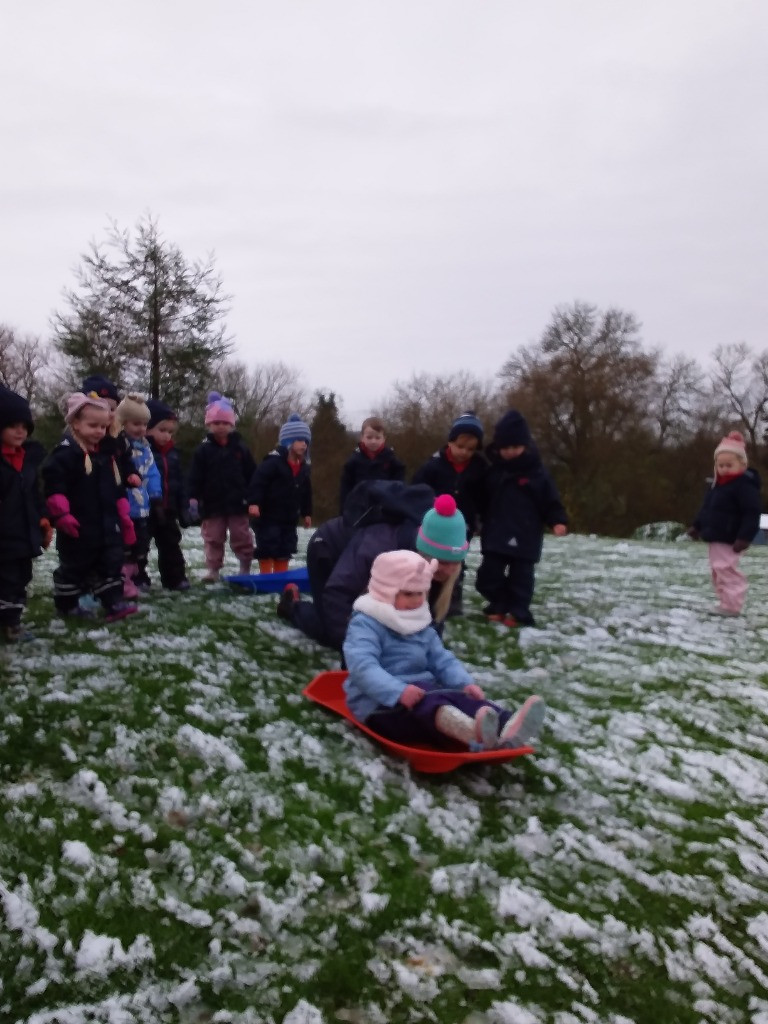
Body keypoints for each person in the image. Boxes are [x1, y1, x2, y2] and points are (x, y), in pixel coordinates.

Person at [343, 550, 546, 750]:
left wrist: (464, 683)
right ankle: (472, 734)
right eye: (408, 594)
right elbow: (362, 667)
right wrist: (398, 691)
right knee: (434, 705)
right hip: (380, 704)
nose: (415, 601)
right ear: (385, 591)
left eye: (420, 593)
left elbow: (441, 659)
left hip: (424, 690)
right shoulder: (367, 623)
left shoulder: (418, 620)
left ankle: (508, 725)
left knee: (460, 698)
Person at [278, 481, 467, 652]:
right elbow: (337, 593)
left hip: (359, 557)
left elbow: (432, 611)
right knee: (332, 631)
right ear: (423, 551)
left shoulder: (446, 553)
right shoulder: (380, 546)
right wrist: (359, 650)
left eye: (455, 563)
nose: (449, 570)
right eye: (442, 563)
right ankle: (292, 605)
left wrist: (428, 653)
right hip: (328, 550)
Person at [42, 392, 138, 622]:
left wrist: (122, 513)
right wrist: (61, 513)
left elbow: (115, 486)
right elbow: (54, 484)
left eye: (103, 427)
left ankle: (113, 603)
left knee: (110, 562)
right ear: (75, 422)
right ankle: (67, 602)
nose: (99, 431)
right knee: (76, 566)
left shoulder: (105, 455)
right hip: (79, 525)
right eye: (92, 425)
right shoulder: (66, 454)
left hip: (106, 522)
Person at [477, 410, 568, 627]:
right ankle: (498, 602)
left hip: (526, 535)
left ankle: (518, 611)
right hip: (496, 533)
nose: (510, 453)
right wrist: (476, 520)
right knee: (488, 575)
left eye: (514, 448)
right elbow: (482, 499)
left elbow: (550, 499)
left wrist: (557, 520)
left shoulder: (537, 473)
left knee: (522, 579)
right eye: (505, 448)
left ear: (525, 446)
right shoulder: (494, 472)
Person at [412, 410, 487, 615]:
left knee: (455, 564)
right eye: (460, 446)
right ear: (450, 442)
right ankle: (421, 596)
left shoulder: (481, 469)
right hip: (434, 525)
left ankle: (451, 600)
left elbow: (485, 496)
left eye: (470, 449)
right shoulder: (433, 466)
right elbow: (417, 490)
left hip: (463, 526)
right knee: (428, 563)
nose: (464, 452)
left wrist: (480, 519)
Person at [688, 430, 761, 616]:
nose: (724, 468)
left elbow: (752, 513)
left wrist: (745, 537)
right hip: (716, 535)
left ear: (742, 464)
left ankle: (732, 606)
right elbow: (707, 509)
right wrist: (697, 526)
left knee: (725, 569)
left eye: (729, 464)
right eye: (720, 465)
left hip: (731, 538)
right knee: (717, 571)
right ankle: (725, 602)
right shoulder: (717, 486)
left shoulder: (744, 486)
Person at [187, 391, 256, 583]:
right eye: (216, 423)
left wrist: (254, 498)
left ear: (232, 425)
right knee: (213, 538)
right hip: (212, 504)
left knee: (241, 535)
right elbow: (194, 477)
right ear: (209, 424)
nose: (221, 427)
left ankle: (245, 565)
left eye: (225, 423)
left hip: (238, 503)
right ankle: (213, 569)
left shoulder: (241, 449)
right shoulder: (203, 451)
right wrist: (193, 498)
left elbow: (252, 474)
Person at [0, 386, 51, 642]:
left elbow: (34, 496)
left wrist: (42, 518)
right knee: (6, 580)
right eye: (12, 426)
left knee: (21, 577)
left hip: (24, 533)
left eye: (24, 426)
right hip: (4, 536)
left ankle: (11, 618)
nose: (20, 431)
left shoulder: (27, 461)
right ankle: (10, 625)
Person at [248, 413, 312, 573]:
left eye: (305, 441)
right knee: (268, 544)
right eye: (299, 440)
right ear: (288, 442)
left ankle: (281, 575)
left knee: (286, 547)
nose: (303, 445)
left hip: (289, 517)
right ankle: (266, 574)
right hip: (268, 516)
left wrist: (307, 513)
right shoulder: (272, 463)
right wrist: (254, 502)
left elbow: (306, 492)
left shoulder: (304, 468)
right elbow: (258, 482)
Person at [114, 393, 162, 596]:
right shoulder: (118, 445)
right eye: (136, 424)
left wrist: (156, 495)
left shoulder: (146, 448)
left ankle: (137, 573)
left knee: (141, 544)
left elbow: (152, 472)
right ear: (122, 423)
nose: (141, 429)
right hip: (124, 504)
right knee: (124, 545)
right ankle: (122, 579)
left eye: (144, 424)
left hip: (142, 506)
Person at [146, 398, 190, 591]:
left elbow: (179, 483)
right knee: (139, 547)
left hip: (168, 509)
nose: (166, 436)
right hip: (146, 510)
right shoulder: (142, 451)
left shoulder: (173, 454)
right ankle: (137, 577)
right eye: (162, 430)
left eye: (170, 432)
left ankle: (175, 578)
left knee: (171, 545)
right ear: (148, 428)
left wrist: (183, 508)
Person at [339, 417, 405, 512]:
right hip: (359, 510)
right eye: (369, 437)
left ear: (384, 439)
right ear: (362, 437)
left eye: (377, 437)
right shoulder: (353, 462)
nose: (373, 441)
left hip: (385, 510)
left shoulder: (393, 461)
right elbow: (345, 491)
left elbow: (399, 488)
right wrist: (344, 513)